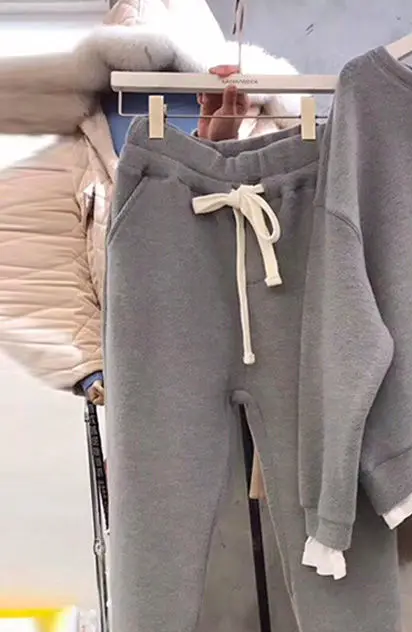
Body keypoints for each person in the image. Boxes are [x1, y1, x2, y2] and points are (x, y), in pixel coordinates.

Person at [0, 0, 300, 405]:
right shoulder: (78, 149)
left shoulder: (267, 130)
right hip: (141, 362)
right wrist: (90, 365)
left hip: (255, 352)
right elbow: (43, 262)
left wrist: (220, 154)